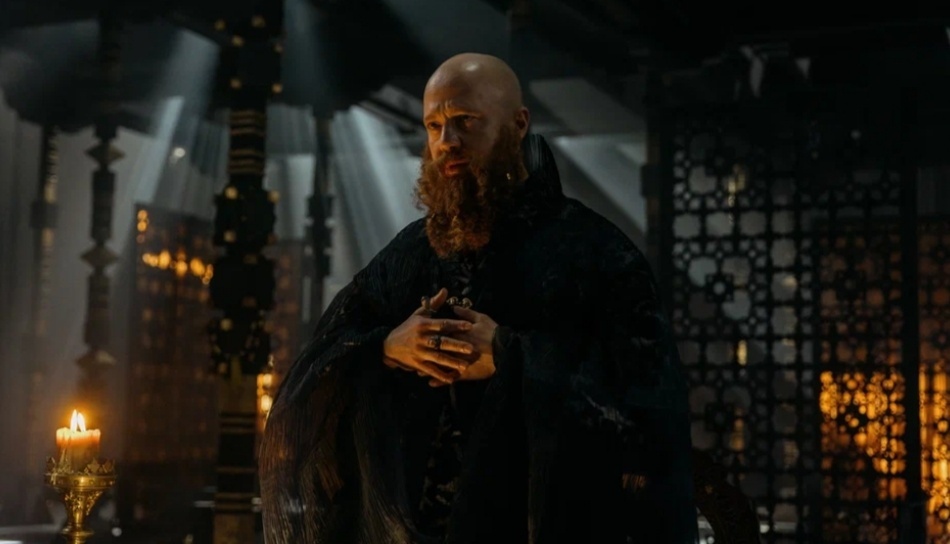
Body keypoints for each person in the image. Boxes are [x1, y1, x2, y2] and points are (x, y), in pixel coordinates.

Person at [259, 52, 696, 543]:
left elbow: (650, 415)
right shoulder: (411, 253)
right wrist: (387, 347)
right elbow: (317, 367)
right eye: (434, 125)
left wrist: (511, 355)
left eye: (465, 120)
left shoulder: (595, 251)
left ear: (518, 124)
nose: (447, 141)